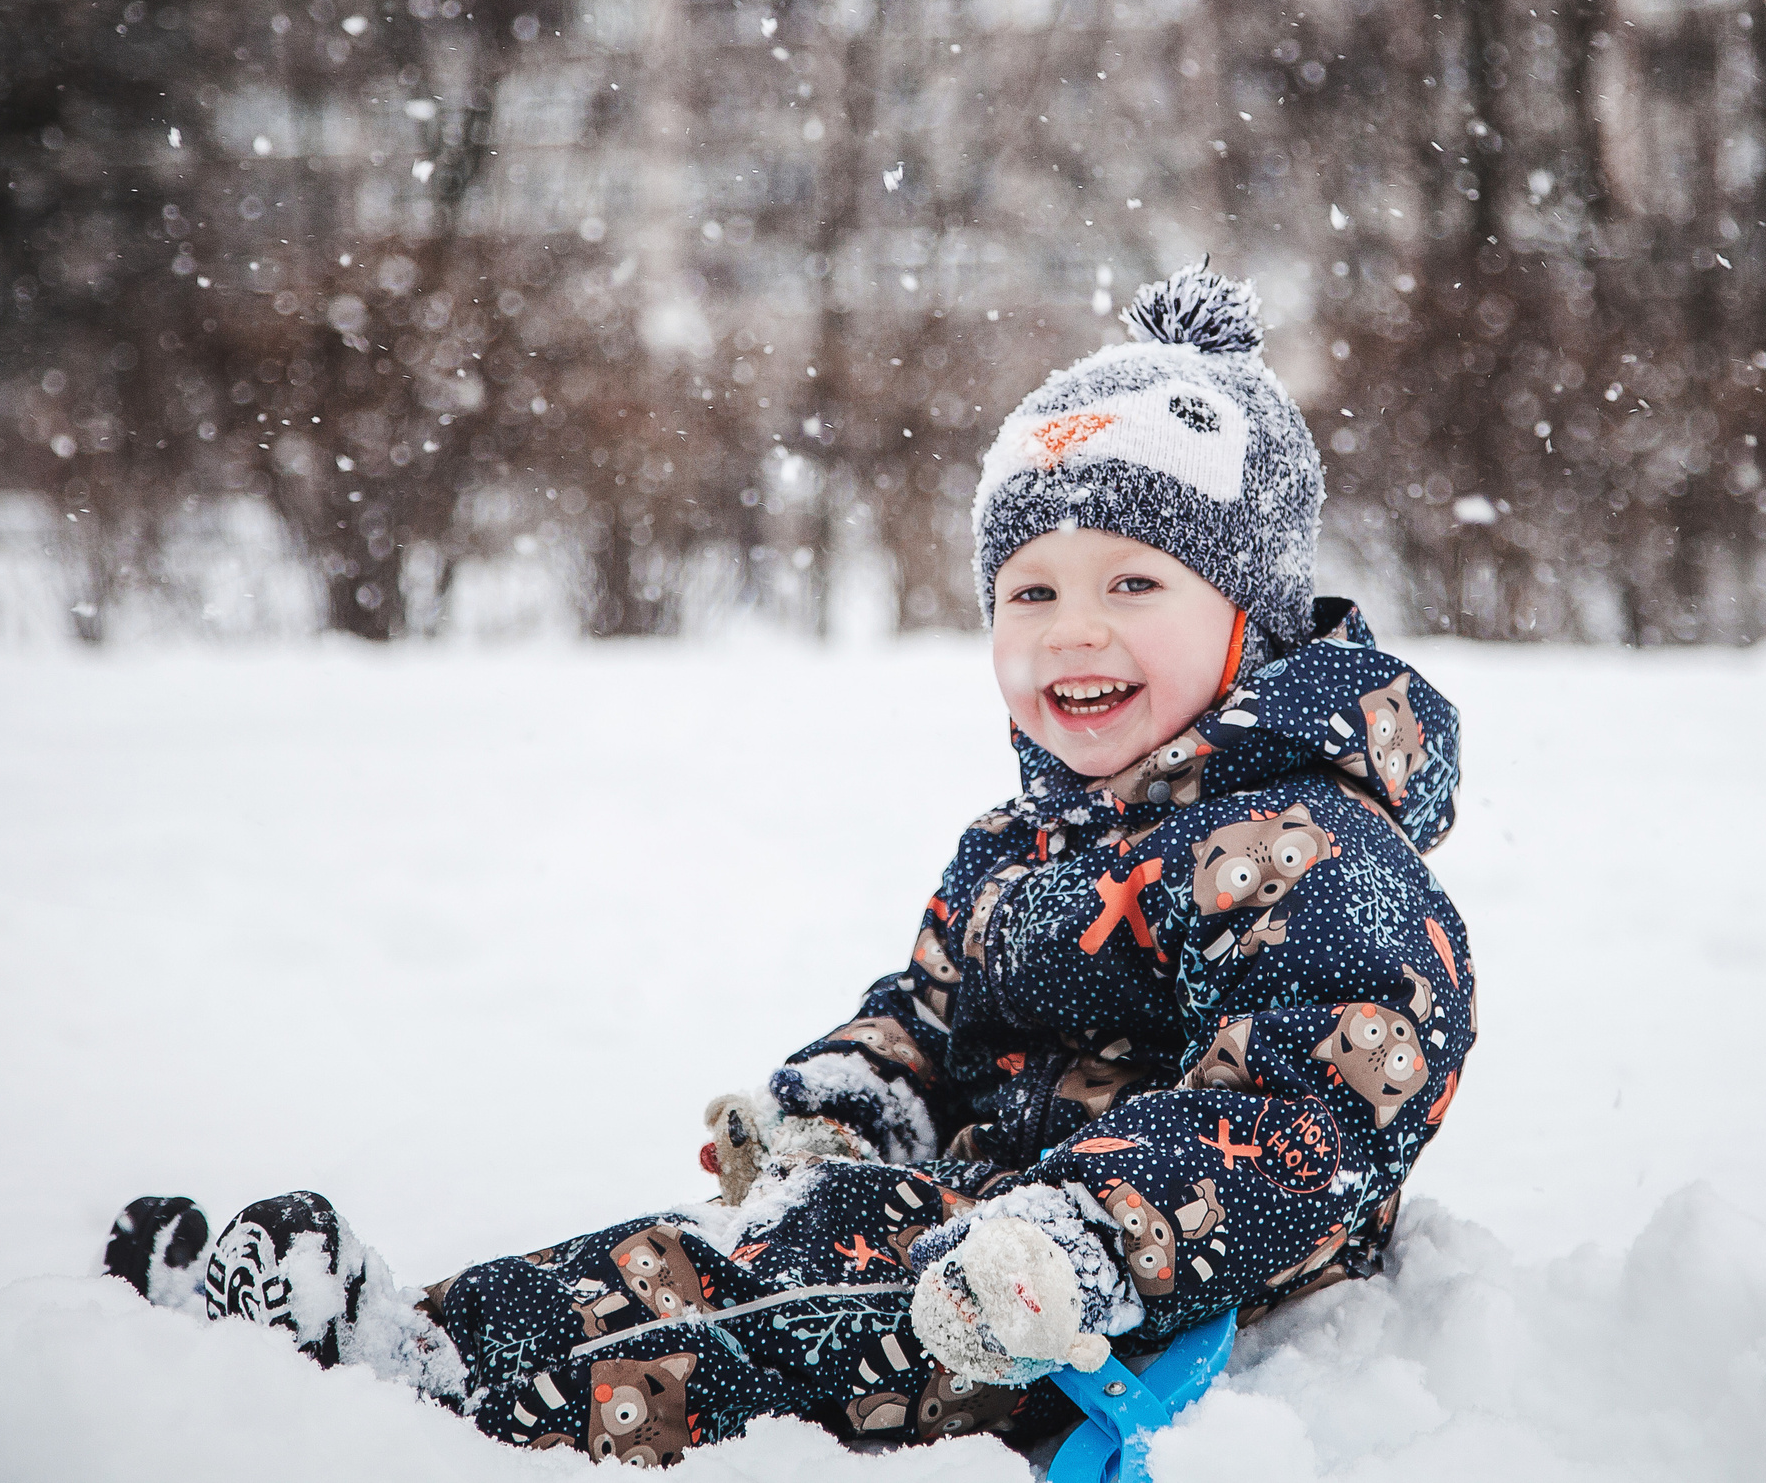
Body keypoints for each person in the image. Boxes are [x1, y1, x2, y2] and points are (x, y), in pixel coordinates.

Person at [103, 262, 1478, 1463]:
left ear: (1254, 615)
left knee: (795, 1312)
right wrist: (852, 1095)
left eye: (1134, 585)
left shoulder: (1316, 841)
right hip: (968, 1234)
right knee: (740, 1248)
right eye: (1031, 592)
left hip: (1122, 1309)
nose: (1073, 633)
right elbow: (932, 1013)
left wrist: (1090, 1230)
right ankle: (396, 1333)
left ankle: (446, 1408)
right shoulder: (1019, 844)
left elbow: (1324, 1099)